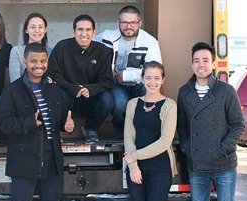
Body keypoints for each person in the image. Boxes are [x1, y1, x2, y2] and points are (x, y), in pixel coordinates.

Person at [0, 43, 74, 201]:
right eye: (33, 61)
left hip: (52, 162)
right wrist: (30, 122)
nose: (38, 65)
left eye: (42, 60)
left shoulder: (54, 89)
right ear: (25, 62)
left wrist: (67, 125)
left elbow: (60, 121)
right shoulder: (12, 90)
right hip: (24, 163)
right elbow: (3, 124)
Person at [177, 42, 245, 201]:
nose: (201, 64)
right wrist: (187, 148)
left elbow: (238, 125)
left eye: (206, 60)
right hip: (197, 164)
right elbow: (182, 127)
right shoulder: (184, 92)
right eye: (196, 61)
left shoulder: (226, 91)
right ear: (191, 65)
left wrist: (222, 148)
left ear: (213, 64)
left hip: (224, 164)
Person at [123, 61, 177, 201]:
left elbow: (164, 141)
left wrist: (134, 156)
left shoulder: (169, 105)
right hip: (136, 169)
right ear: (142, 79)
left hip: (160, 169)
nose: (152, 82)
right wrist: (133, 166)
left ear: (163, 80)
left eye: (156, 78)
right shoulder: (133, 104)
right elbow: (128, 136)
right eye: (148, 78)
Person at [95, 5, 162, 137]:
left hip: (139, 83)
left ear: (139, 23)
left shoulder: (149, 41)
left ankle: (146, 133)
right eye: (124, 22)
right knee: (121, 102)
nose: (128, 26)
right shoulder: (105, 37)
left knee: (150, 94)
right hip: (115, 84)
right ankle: (122, 132)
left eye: (132, 22)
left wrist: (125, 75)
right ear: (118, 22)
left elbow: (155, 70)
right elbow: (89, 49)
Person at [48, 14, 114, 142]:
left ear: (94, 32)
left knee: (108, 99)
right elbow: (53, 74)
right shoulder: (62, 47)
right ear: (73, 32)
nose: (84, 34)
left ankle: (91, 130)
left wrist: (89, 89)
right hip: (68, 97)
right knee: (56, 93)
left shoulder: (103, 51)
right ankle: (59, 131)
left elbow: (107, 81)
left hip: (91, 99)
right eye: (80, 29)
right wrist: (72, 88)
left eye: (88, 30)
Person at [9, 12, 52, 83]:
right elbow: (14, 81)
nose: (37, 30)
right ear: (26, 30)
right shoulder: (16, 51)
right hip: (21, 92)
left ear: (45, 30)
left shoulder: (50, 51)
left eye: (40, 27)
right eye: (33, 27)